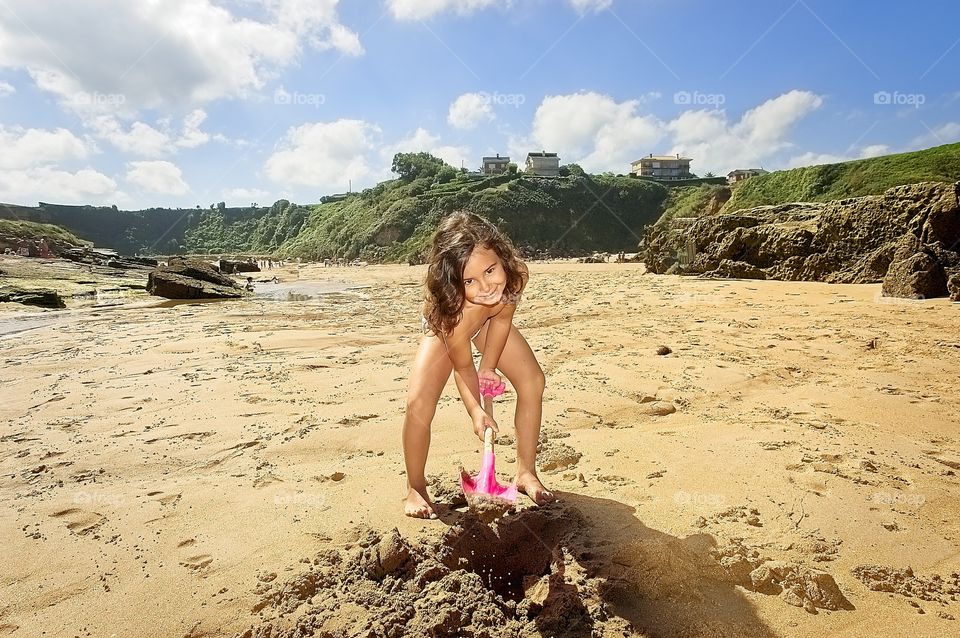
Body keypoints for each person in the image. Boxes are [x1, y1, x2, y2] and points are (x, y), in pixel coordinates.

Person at [402, 211, 554, 519]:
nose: (485, 286)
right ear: (454, 280)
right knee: (418, 403)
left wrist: (489, 366)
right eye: (469, 280)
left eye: (490, 270)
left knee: (532, 381)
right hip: (449, 324)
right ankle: (415, 487)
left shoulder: (513, 278)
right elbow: (462, 368)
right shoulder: (451, 311)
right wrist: (477, 412)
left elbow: (500, 320)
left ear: (502, 256)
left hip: (487, 320)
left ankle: (526, 472)